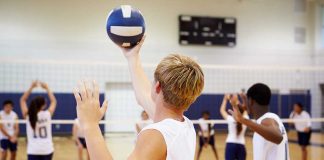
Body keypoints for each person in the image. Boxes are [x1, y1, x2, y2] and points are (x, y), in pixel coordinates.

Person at [73, 37, 205, 160]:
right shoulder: (185, 126)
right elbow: (143, 96)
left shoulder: (156, 135)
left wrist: (90, 125)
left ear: (157, 87)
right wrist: (132, 57)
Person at [228, 83, 290, 160]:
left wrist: (242, 120)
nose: (244, 103)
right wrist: (245, 107)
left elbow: (278, 137)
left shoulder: (267, 119)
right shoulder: (272, 118)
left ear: (251, 101)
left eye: (246, 100)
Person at [20, 81, 57, 160]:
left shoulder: (28, 115)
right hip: (47, 149)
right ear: (43, 106)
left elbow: (22, 100)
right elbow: (54, 101)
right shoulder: (47, 114)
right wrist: (47, 88)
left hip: (33, 150)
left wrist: (31, 87)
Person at [219, 94, 248, 160]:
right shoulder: (246, 119)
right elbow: (243, 109)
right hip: (241, 145)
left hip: (230, 144)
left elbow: (222, 110)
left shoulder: (231, 119)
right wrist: (237, 100)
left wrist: (225, 99)